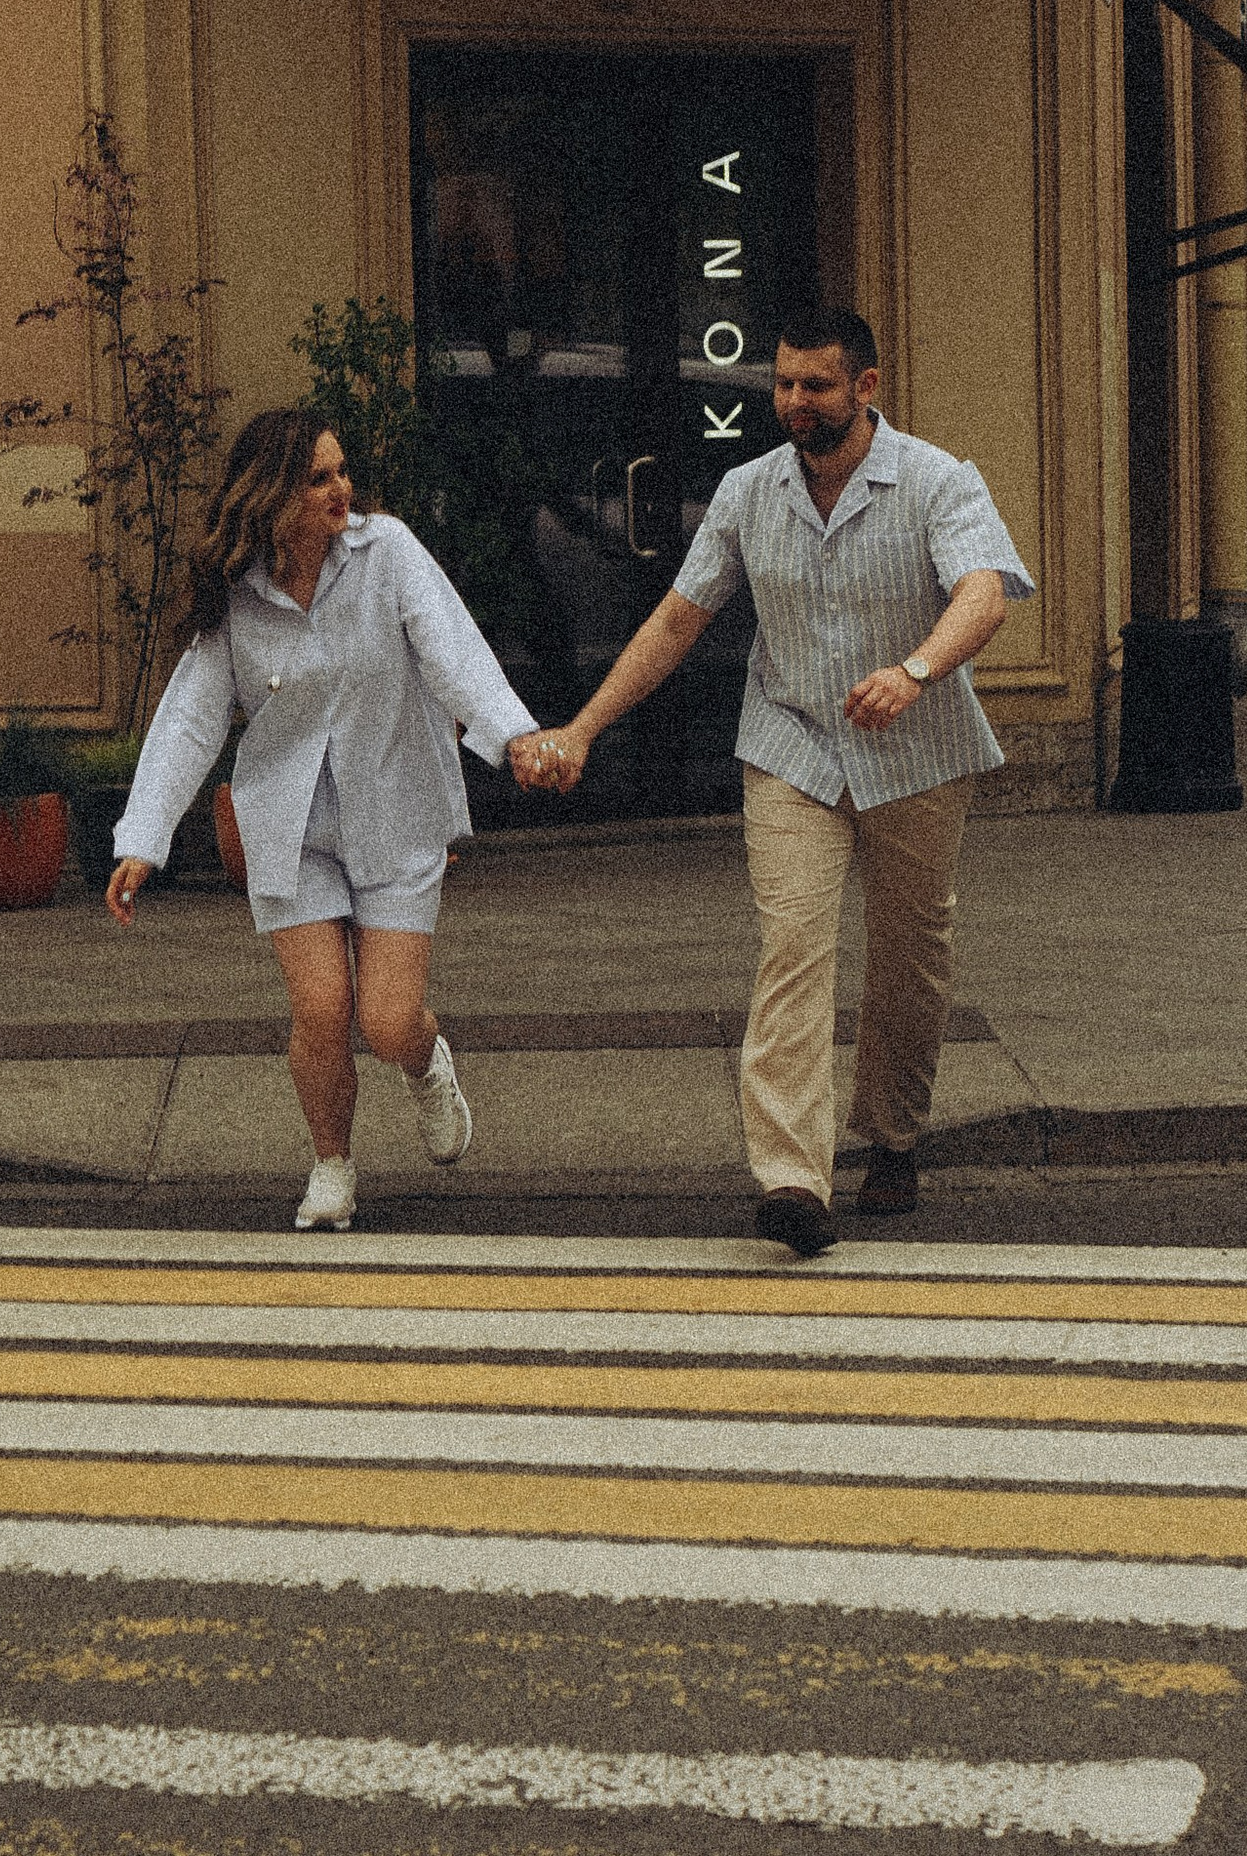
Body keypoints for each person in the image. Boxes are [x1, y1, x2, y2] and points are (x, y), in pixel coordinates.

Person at [523, 311, 1032, 1254]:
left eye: (817, 387)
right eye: (785, 384)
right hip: (791, 746)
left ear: (866, 387)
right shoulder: (747, 491)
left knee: (910, 954)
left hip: (917, 751)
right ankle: (794, 1177)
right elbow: (677, 620)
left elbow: (985, 593)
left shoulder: (938, 480)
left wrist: (915, 672)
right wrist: (584, 729)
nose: (796, 402)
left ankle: (894, 1135)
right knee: (793, 945)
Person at [106, 406, 547, 1231]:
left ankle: (424, 1060)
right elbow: (192, 718)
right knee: (320, 1010)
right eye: (318, 478)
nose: (341, 488)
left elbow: (453, 653)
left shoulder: (389, 553)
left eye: (342, 471)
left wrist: (512, 736)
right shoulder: (237, 594)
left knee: (387, 1021)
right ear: (273, 494)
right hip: (289, 825)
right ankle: (333, 1166)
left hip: (395, 808)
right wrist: (142, 840)